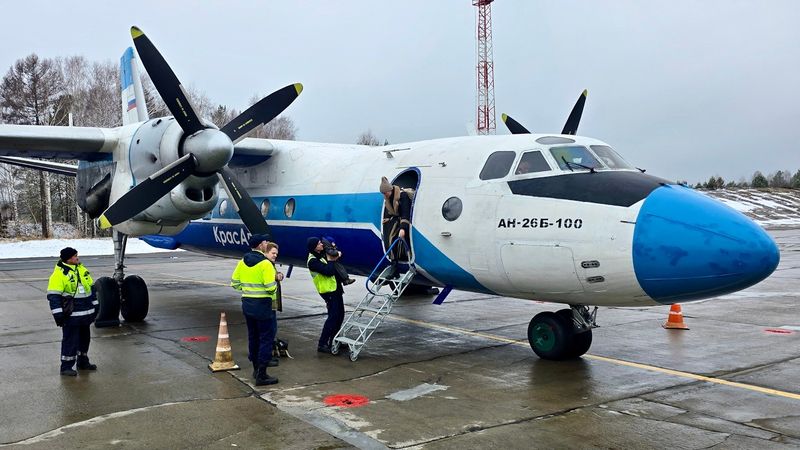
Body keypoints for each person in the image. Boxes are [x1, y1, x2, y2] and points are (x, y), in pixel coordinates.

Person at [230, 234, 280, 386]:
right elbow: (270, 287)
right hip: (262, 306)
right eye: (265, 242)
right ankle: (262, 374)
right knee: (266, 338)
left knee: (253, 337)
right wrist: (274, 287)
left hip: (247, 304)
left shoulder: (242, 261)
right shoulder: (265, 264)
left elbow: (234, 283)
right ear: (260, 245)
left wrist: (247, 289)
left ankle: (255, 368)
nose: (266, 243)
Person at [47, 247, 98, 376]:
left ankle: (82, 362)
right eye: (75, 256)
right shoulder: (59, 275)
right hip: (71, 316)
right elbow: (53, 296)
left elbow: (92, 289)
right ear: (68, 259)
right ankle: (66, 367)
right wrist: (58, 314)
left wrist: (96, 306)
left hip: (85, 315)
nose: (77, 258)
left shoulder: (82, 270)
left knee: (85, 340)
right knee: (70, 341)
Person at [306, 237, 344, 354]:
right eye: (319, 244)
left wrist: (333, 248)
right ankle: (322, 344)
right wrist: (332, 259)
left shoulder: (321, 254)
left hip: (335, 289)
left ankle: (335, 340)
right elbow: (328, 271)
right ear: (314, 247)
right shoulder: (312, 261)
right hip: (328, 292)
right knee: (332, 317)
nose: (321, 244)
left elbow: (331, 250)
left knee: (340, 315)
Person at [379, 176, 413, 275]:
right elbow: (391, 212)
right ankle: (394, 264)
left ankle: (397, 265)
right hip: (396, 220)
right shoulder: (388, 198)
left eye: (385, 193)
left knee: (393, 238)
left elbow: (405, 213)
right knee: (389, 239)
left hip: (404, 221)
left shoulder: (403, 196)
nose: (385, 195)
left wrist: (403, 228)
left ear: (390, 189)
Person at [263, 242, 285, 360]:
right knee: (269, 329)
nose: (275, 255)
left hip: (271, 303)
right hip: (268, 302)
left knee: (271, 328)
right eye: (273, 253)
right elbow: (266, 282)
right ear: (265, 252)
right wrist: (275, 277)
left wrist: (277, 274)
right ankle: (267, 356)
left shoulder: (270, 264)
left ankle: (268, 353)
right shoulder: (266, 264)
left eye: (276, 253)